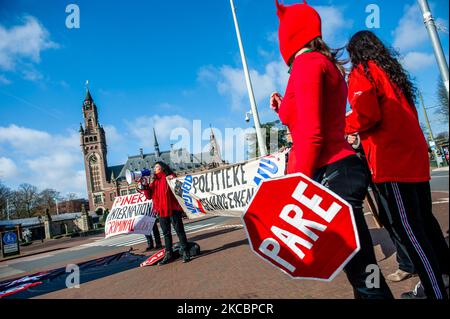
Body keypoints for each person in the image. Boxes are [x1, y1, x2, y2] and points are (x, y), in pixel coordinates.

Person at [271, 0, 393, 299]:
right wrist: (280, 105)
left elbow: (312, 132)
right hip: (340, 169)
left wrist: (297, 185)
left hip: (331, 171)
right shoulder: (319, 63)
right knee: (362, 270)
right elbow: (303, 117)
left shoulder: (306, 64)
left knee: (362, 272)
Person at [345, 30, 449, 299]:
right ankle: (446, 276)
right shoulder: (392, 73)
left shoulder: (362, 71)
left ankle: (435, 291)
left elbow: (367, 114)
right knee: (426, 223)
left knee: (410, 230)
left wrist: (343, 126)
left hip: (391, 161)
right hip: (414, 157)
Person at [346, 133, 417, 282]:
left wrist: (357, 140)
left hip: (386, 166)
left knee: (397, 217)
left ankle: (412, 264)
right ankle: (408, 262)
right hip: (373, 167)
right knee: (389, 217)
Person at [148, 161, 190, 264]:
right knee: (166, 233)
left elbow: (178, 187)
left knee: (179, 231)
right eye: (154, 167)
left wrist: (173, 178)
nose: (155, 168)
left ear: (162, 168)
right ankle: (168, 254)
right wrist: (145, 186)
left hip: (173, 209)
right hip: (161, 211)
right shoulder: (154, 181)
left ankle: (185, 251)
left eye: (157, 166)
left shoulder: (170, 176)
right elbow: (148, 195)